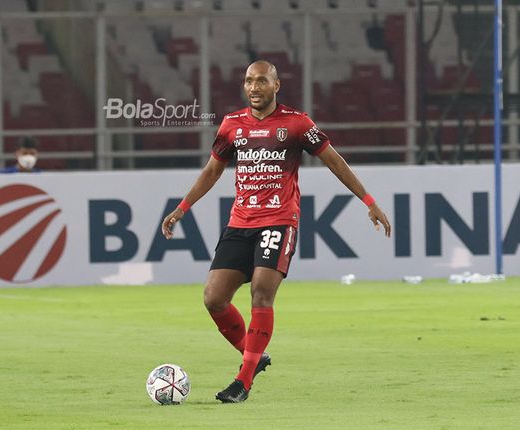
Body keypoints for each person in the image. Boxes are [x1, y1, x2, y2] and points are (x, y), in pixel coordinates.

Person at [160, 60, 391, 403]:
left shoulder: (297, 124)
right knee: (213, 298)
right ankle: (255, 354)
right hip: (240, 222)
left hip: (279, 220)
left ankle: (243, 380)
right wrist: (182, 208)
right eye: (249, 81)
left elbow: (334, 162)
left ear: (276, 86)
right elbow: (212, 171)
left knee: (261, 292)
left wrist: (368, 200)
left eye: (261, 81)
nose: (254, 87)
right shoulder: (231, 125)